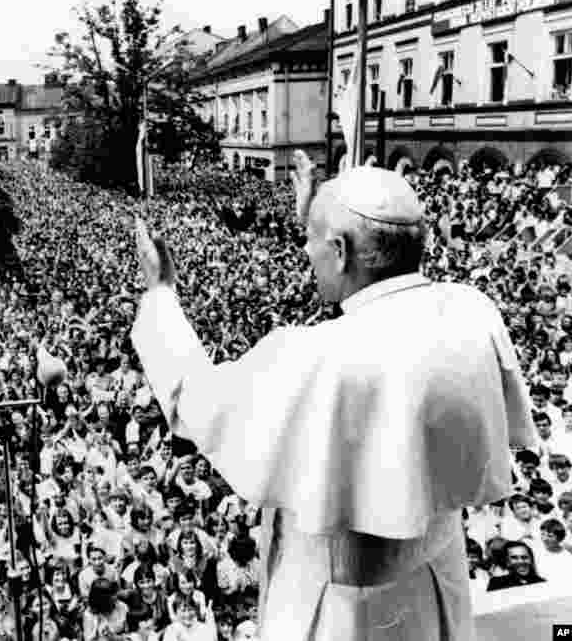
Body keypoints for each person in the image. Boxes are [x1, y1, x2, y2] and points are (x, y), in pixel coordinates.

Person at [130, 156, 536, 640]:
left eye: (311, 241)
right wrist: (325, 214)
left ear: (340, 251)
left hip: (341, 614)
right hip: (434, 591)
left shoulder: (311, 357)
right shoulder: (473, 313)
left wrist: (160, 296)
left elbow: (194, 398)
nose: (305, 250)